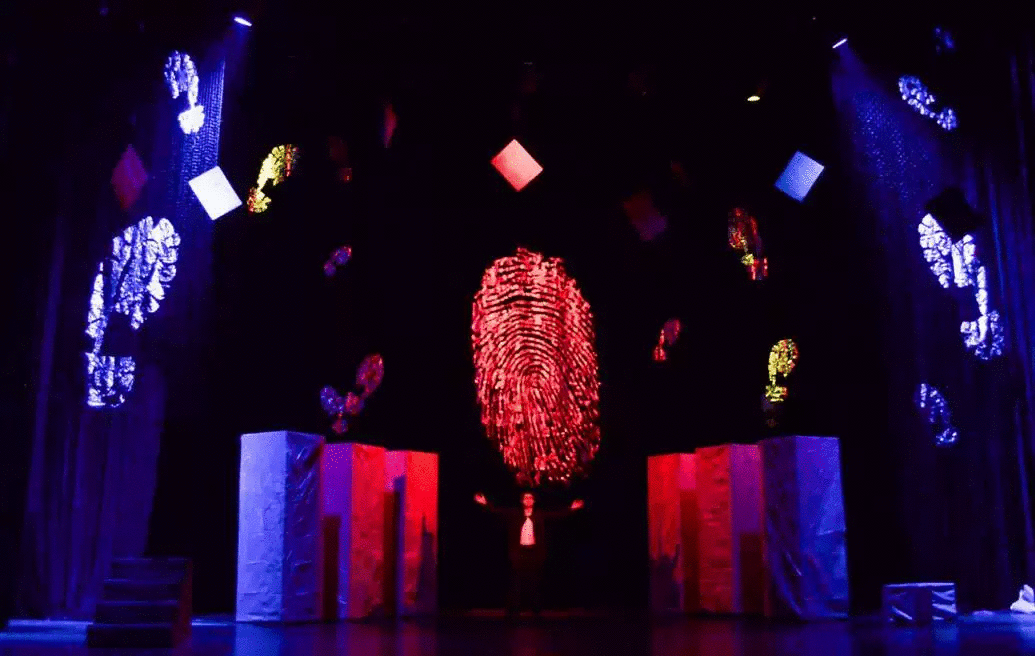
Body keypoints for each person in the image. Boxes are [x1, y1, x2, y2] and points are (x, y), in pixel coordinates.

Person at [474, 490, 584, 615]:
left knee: (535, 582)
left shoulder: (539, 514)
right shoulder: (515, 513)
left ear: (534, 501)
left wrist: (571, 508)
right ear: (522, 501)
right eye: (525, 498)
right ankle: (514, 610)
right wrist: (485, 503)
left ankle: (536, 610)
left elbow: (556, 516)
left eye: (530, 497)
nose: (528, 499)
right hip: (518, 552)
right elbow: (497, 511)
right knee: (516, 581)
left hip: (534, 552)